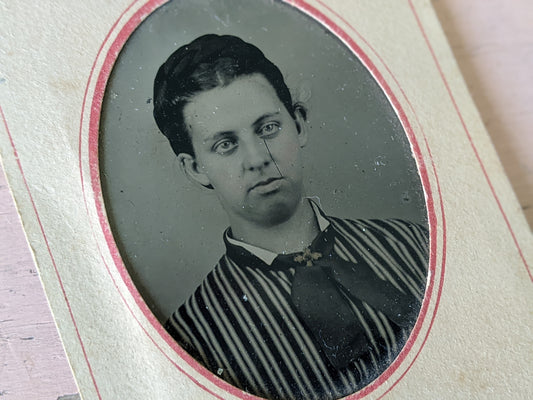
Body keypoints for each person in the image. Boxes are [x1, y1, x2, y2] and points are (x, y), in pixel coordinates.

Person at [153, 34, 428, 400]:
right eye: (226, 144)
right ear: (196, 168)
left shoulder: (414, 244)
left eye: (267, 128)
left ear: (298, 124)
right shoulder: (190, 340)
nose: (257, 158)